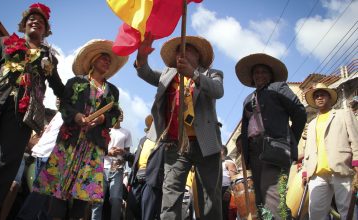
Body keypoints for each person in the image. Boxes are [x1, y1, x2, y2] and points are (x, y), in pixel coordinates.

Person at [0, 3, 64, 218]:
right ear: (24, 24)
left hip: (22, 118)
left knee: (3, 168)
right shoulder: (4, 43)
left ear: (46, 30)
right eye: (31, 18)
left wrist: (74, 101)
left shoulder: (49, 57)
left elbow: (58, 87)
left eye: (41, 21)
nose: (35, 21)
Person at [33, 39, 126, 220]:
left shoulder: (113, 91)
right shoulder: (75, 82)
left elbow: (115, 113)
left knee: (83, 194)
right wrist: (76, 117)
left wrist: (101, 118)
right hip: (70, 142)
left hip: (93, 147)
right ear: (93, 61)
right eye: (103, 58)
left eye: (109, 60)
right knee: (59, 189)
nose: (107, 62)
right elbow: (65, 105)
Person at [135, 33, 224, 219]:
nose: (181, 54)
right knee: (171, 194)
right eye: (178, 50)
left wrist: (193, 74)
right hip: (175, 144)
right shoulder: (169, 74)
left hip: (206, 144)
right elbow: (146, 72)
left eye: (187, 50)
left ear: (198, 56)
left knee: (209, 197)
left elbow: (218, 91)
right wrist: (141, 56)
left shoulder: (212, 74)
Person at [235, 53, 307, 219]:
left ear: (271, 75)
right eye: (256, 72)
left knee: (273, 198)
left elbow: (300, 112)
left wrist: (290, 140)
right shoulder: (247, 99)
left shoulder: (278, 88)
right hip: (254, 153)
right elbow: (246, 129)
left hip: (277, 149)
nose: (259, 75)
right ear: (252, 77)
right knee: (261, 201)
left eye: (264, 72)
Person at [302, 83, 358, 219]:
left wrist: (357, 164)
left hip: (341, 168)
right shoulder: (312, 124)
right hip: (317, 173)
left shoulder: (343, 114)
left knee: (348, 211)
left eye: (322, 94)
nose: (319, 97)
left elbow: (355, 140)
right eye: (316, 96)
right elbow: (308, 150)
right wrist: (305, 171)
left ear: (329, 97)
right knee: (315, 213)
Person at [92, 108, 133, 220]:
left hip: (118, 170)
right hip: (102, 167)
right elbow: (97, 149)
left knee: (116, 200)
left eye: (123, 113)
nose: (121, 115)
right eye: (119, 113)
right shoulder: (106, 130)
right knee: (97, 200)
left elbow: (128, 153)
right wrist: (109, 153)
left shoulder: (127, 133)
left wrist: (123, 155)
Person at [126, 114, 165, 220]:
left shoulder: (163, 139)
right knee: (133, 204)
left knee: (147, 207)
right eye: (153, 121)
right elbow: (136, 158)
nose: (154, 123)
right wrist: (124, 154)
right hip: (137, 177)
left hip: (152, 177)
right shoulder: (143, 140)